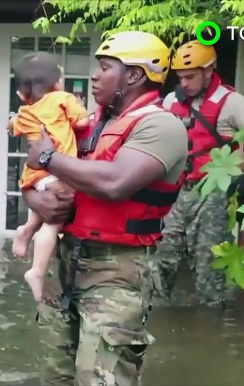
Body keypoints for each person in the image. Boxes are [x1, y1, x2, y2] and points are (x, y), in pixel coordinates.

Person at [23, 31, 189, 385]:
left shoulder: (161, 125)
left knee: (102, 377)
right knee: (54, 375)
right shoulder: (90, 123)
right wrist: (39, 201)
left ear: (134, 75)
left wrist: (49, 157)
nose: (94, 75)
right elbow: (37, 177)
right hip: (66, 260)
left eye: (104, 67)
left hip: (118, 270)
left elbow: (115, 183)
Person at [153, 41, 244, 307]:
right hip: (176, 191)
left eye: (190, 76)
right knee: (162, 257)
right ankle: (156, 317)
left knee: (209, 265)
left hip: (213, 193)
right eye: (180, 77)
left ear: (209, 70)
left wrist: (240, 163)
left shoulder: (232, 102)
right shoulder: (171, 101)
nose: (185, 83)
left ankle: (212, 323)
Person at [7, 54, 90, 302]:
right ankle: (37, 271)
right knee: (53, 222)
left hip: (35, 174)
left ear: (23, 93)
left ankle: (26, 229)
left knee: (47, 202)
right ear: (58, 82)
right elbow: (84, 122)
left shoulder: (26, 110)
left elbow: (13, 128)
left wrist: (13, 121)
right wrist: (78, 110)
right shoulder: (64, 99)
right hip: (57, 169)